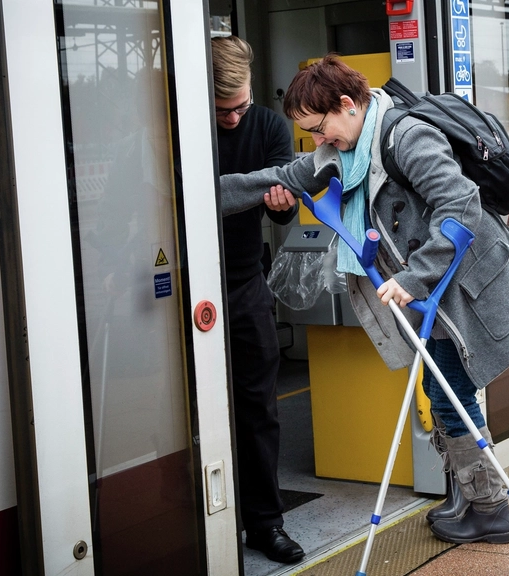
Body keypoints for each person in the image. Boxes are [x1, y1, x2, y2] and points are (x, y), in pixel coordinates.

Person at [219, 55, 509, 544]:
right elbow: (282, 177)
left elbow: (460, 204)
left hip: (465, 289)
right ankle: (470, 496)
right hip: (439, 296)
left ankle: (489, 510)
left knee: (449, 398)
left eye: (319, 129)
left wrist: (416, 277)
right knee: (442, 391)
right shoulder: (344, 150)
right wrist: (197, 199)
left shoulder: (406, 137)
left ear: (346, 104)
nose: (317, 142)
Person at [211, 36, 304, 564]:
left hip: (245, 283)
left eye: (240, 107)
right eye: (222, 110)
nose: (233, 119)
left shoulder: (269, 126)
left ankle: (266, 524)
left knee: (258, 410)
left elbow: (283, 212)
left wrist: (281, 201)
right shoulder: (179, 127)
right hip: (183, 286)